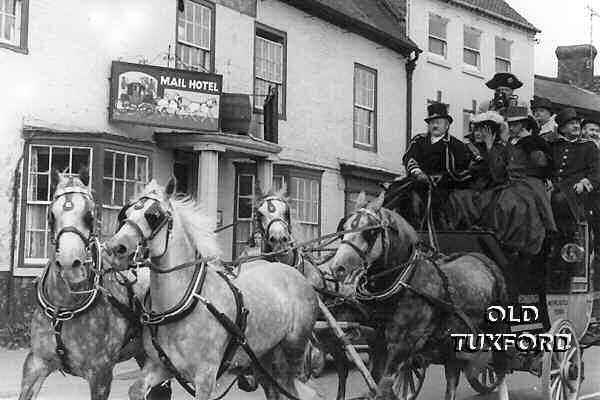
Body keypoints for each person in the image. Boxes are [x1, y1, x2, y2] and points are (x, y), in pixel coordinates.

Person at [476, 106, 555, 256]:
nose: (511, 128)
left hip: (530, 184)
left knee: (506, 201)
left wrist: (532, 149)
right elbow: (499, 171)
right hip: (511, 183)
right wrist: (490, 146)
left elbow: (544, 166)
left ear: (524, 125)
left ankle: (508, 240)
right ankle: (495, 240)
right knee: (485, 199)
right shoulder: (512, 143)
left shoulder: (534, 141)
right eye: (509, 124)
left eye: (515, 125)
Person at [384, 102, 473, 225]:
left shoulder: (456, 145)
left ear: (446, 125)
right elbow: (409, 157)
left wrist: (436, 179)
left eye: (438, 122)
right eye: (432, 123)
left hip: (443, 187)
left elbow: (462, 171)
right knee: (395, 192)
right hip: (416, 181)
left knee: (438, 207)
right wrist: (418, 172)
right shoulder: (419, 140)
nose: (434, 126)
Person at [443, 111, 508, 229]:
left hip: (492, 188)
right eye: (476, 130)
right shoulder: (470, 147)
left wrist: (490, 147)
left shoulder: (500, 149)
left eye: (482, 130)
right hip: (473, 186)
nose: (477, 133)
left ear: (491, 133)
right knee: (456, 196)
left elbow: (498, 174)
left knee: (474, 199)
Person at [550, 108, 600, 224]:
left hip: (577, 191)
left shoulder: (589, 146)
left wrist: (584, 184)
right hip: (556, 188)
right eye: (572, 123)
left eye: (577, 123)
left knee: (560, 201)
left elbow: (596, 172)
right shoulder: (556, 146)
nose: (576, 126)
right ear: (562, 129)